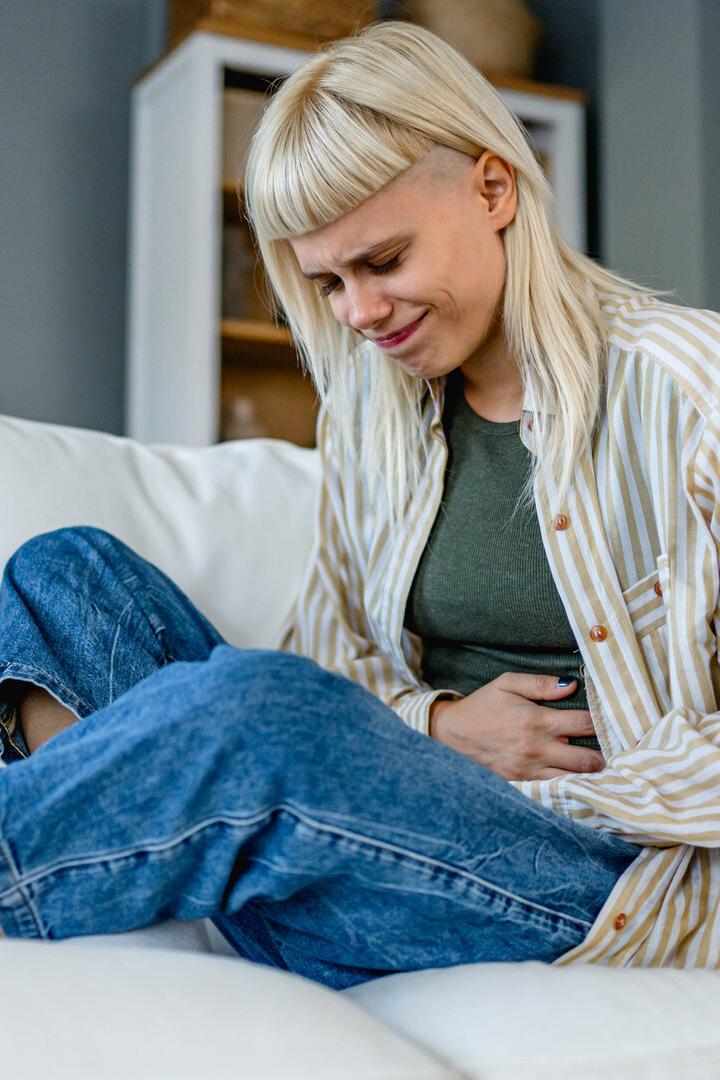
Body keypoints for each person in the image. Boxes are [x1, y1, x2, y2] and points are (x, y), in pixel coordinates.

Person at [0, 19, 718, 982]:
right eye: (327, 282)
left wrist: (542, 789)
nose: (359, 314)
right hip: (398, 835)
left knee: (263, 712)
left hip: (599, 877)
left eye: (383, 262)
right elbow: (339, 658)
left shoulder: (686, 388)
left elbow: (301, 707)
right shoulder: (370, 417)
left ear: (493, 188)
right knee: (66, 570)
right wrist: (439, 730)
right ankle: (149, 858)